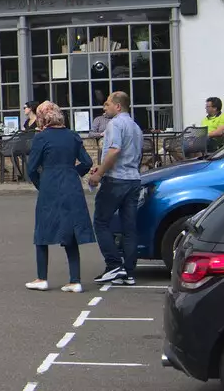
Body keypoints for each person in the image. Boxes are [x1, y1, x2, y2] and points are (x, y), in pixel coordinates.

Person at [24, 101, 95, 293]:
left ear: (42, 119)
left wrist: (42, 183)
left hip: (50, 184)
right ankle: (75, 280)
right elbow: (87, 162)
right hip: (71, 185)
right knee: (70, 231)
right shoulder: (73, 136)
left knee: (42, 231)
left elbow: (31, 169)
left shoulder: (41, 138)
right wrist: (73, 173)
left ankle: (42, 278)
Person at [88, 91, 143, 286]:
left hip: (116, 180)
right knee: (129, 228)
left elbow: (114, 150)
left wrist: (99, 174)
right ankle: (129, 273)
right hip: (134, 179)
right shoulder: (136, 127)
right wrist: (102, 165)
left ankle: (113, 266)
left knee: (101, 222)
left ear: (118, 106)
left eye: (107, 105)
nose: (104, 108)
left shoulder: (115, 124)